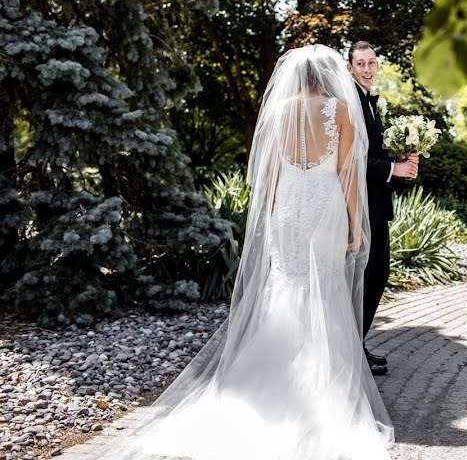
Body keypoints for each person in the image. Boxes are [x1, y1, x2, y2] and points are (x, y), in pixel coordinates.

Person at [88, 45, 393, 459]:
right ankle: (323, 390)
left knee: (285, 289)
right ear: (329, 76)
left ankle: (268, 385)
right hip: (325, 209)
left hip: (287, 209)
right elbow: (348, 175)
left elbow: (265, 177)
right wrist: (356, 225)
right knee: (325, 293)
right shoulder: (340, 111)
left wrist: (271, 219)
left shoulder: (277, 112)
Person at [347, 41, 418, 375]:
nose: (367, 69)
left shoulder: (369, 102)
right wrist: (393, 169)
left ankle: (354, 346)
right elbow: (352, 158)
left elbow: (371, 150)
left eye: (372, 62)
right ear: (349, 68)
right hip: (361, 205)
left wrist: (399, 160)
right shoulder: (352, 102)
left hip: (375, 203)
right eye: (360, 63)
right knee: (371, 275)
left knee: (373, 275)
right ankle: (351, 349)